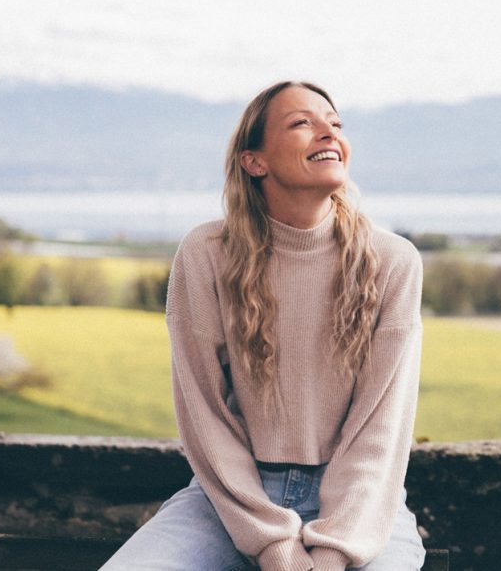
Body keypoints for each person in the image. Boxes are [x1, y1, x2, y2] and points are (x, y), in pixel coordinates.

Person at [102, 81, 426, 571]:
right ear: (255, 161)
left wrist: (334, 552)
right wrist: (274, 545)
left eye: (335, 123)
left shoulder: (394, 261)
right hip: (230, 500)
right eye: (303, 123)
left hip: (362, 506)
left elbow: (381, 430)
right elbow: (203, 413)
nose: (328, 133)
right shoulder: (205, 254)